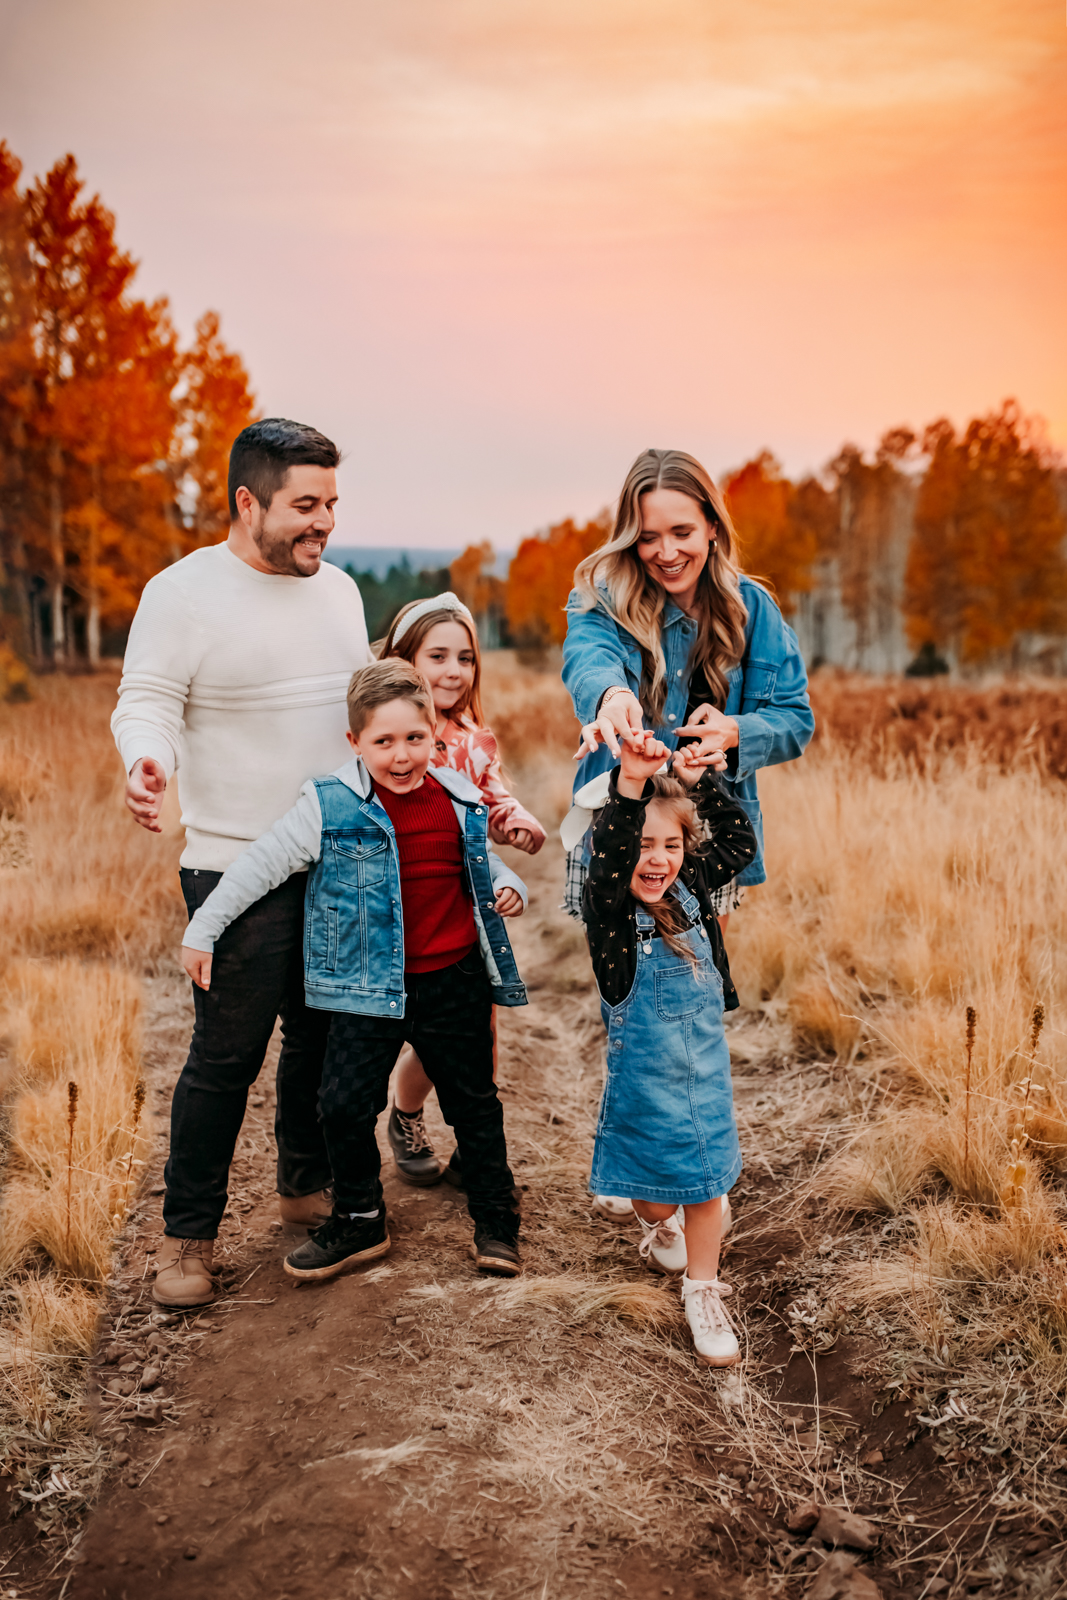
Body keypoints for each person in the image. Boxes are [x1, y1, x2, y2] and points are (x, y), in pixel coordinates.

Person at [112, 418, 373, 1309]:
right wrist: (149, 760)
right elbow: (145, 699)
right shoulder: (182, 595)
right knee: (225, 1058)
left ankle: (303, 1186)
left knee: (320, 1039)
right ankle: (187, 1240)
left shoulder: (338, 594)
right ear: (247, 503)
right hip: (231, 869)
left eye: (332, 504)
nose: (323, 523)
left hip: (336, 860)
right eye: (305, 505)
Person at [181, 659, 530, 1281]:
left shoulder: (456, 796)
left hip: (452, 981)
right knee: (341, 1105)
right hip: (366, 989)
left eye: (415, 739)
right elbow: (260, 865)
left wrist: (509, 884)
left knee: (473, 1104)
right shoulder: (327, 805)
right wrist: (204, 927)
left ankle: (496, 1220)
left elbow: (479, 864)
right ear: (356, 743)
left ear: (435, 736)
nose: (402, 756)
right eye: (384, 742)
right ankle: (361, 1219)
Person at [562, 446, 814, 1221]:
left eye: (681, 530)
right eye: (646, 536)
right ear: (627, 538)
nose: (665, 551)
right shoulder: (601, 599)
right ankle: (638, 1158)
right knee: (624, 997)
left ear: (711, 524)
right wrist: (608, 697)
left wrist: (735, 731)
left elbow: (795, 720)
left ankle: (683, 1161)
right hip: (619, 826)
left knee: (688, 996)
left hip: (710, 837)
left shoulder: (752, 608)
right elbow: (587, 659)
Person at [583, 730, 757, 1366]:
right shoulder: (610, 922)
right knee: (658, 1198)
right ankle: (656, 1221)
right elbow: (609, 857)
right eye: (642, 846)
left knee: (706, 1186)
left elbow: (740, 841)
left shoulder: (695, 894)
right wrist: (629, 784)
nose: (656, 860)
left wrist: (698, 777)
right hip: (645, 1090)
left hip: (705, 1078)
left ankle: (703, 1291)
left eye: (670, 844)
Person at [376, 592, 546, 1186]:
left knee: (471, 1024)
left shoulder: (475, 740)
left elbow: (494, 798)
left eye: (466, 658)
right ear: (405, 660)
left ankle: (468, 1145)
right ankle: (404, 1107)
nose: (453, 671)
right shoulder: (383, 730)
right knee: (406, 1020)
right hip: (394, 903)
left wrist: (515, 822)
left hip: (461, 902)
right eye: (438, 656)